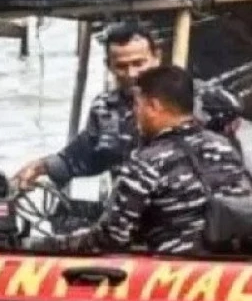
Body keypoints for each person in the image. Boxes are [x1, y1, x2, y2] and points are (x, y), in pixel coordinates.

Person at [43, 66, 252, 256]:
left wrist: (49, 245)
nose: (135, 113)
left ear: (153, 106)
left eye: (137, 104)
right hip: (232, 269)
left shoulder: (146, 162)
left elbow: (112, 238)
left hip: (174, 274)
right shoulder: (224, 147)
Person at [13, 20, 244, 189]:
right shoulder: (106, 109)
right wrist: (40, 166)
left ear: (156, 56)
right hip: (133, 212)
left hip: (198, 215)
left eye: (139, 63)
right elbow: (84, 155)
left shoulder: (196, 95)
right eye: (122, 66)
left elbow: (236, 113)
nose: (132, 74)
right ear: (109, 65)